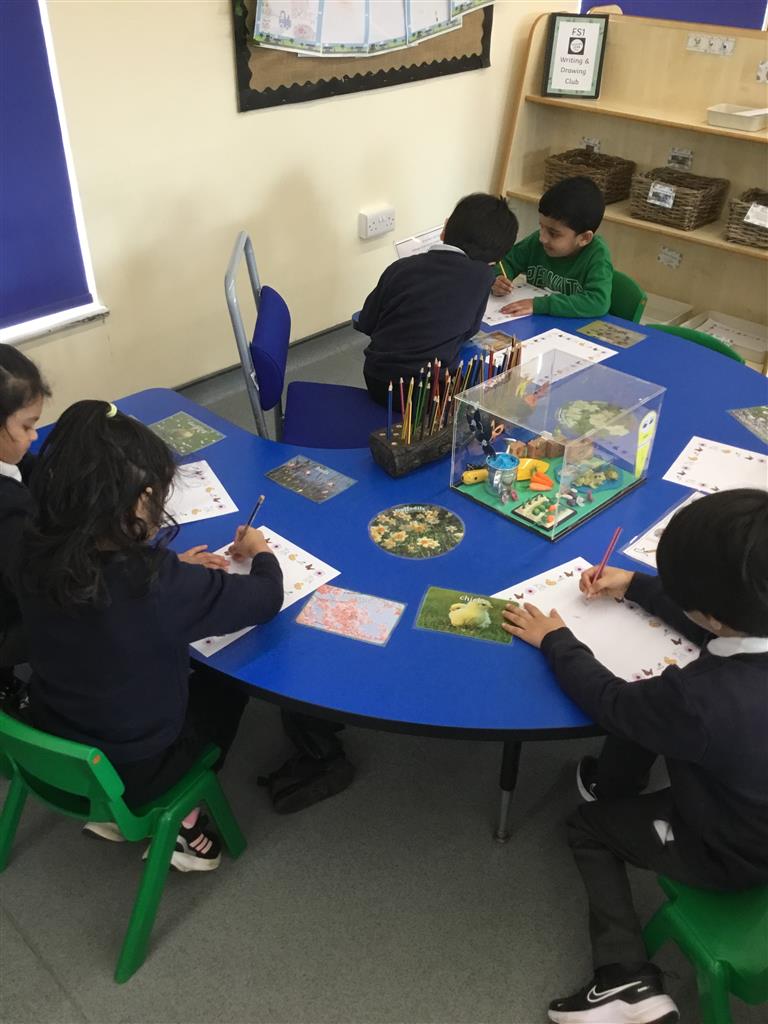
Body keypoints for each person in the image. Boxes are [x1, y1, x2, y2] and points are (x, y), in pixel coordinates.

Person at [502, 489, 768, 1024]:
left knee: (588, 827)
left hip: (737, 849)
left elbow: (613, 704)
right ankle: (612, 783)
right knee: (654, 716)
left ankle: (624, 981)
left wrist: (556, 639)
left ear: (710, 614)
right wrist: (635, 586)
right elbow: (722, 627)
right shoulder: (744, 633)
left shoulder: (698, 702)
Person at [16, 400, 284, 872]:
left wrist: (172, 567)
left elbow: (107, 593)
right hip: (137, 768)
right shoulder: (153, 584)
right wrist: (261, 551)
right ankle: (184, 819)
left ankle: (109, 812)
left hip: (49, 734)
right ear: (140, 500)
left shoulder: (31, 549)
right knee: (228, 680)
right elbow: (265, 598)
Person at [358, 193, 519, 406]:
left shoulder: (400, 267)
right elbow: (470, 331)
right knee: (488, 389)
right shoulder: (483, 277)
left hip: (376, 380)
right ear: (495, 260)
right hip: (430, 392)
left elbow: (367, 321)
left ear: (444, 229)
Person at [0, 345, 50, 706]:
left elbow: (37, 470)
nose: (34, 436)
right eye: (27, 426)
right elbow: (42, 587)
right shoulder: (8, 508)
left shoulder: (10, 462)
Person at [492, 176, 612, 319]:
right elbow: (505, 262)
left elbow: (598, 302)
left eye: (553, 234)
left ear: (584, 238)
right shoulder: (536, 242)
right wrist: (497, 278)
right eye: (541, 226)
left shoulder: (597, 255)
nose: (542, 238)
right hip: (533, 322)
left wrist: (539, 305)